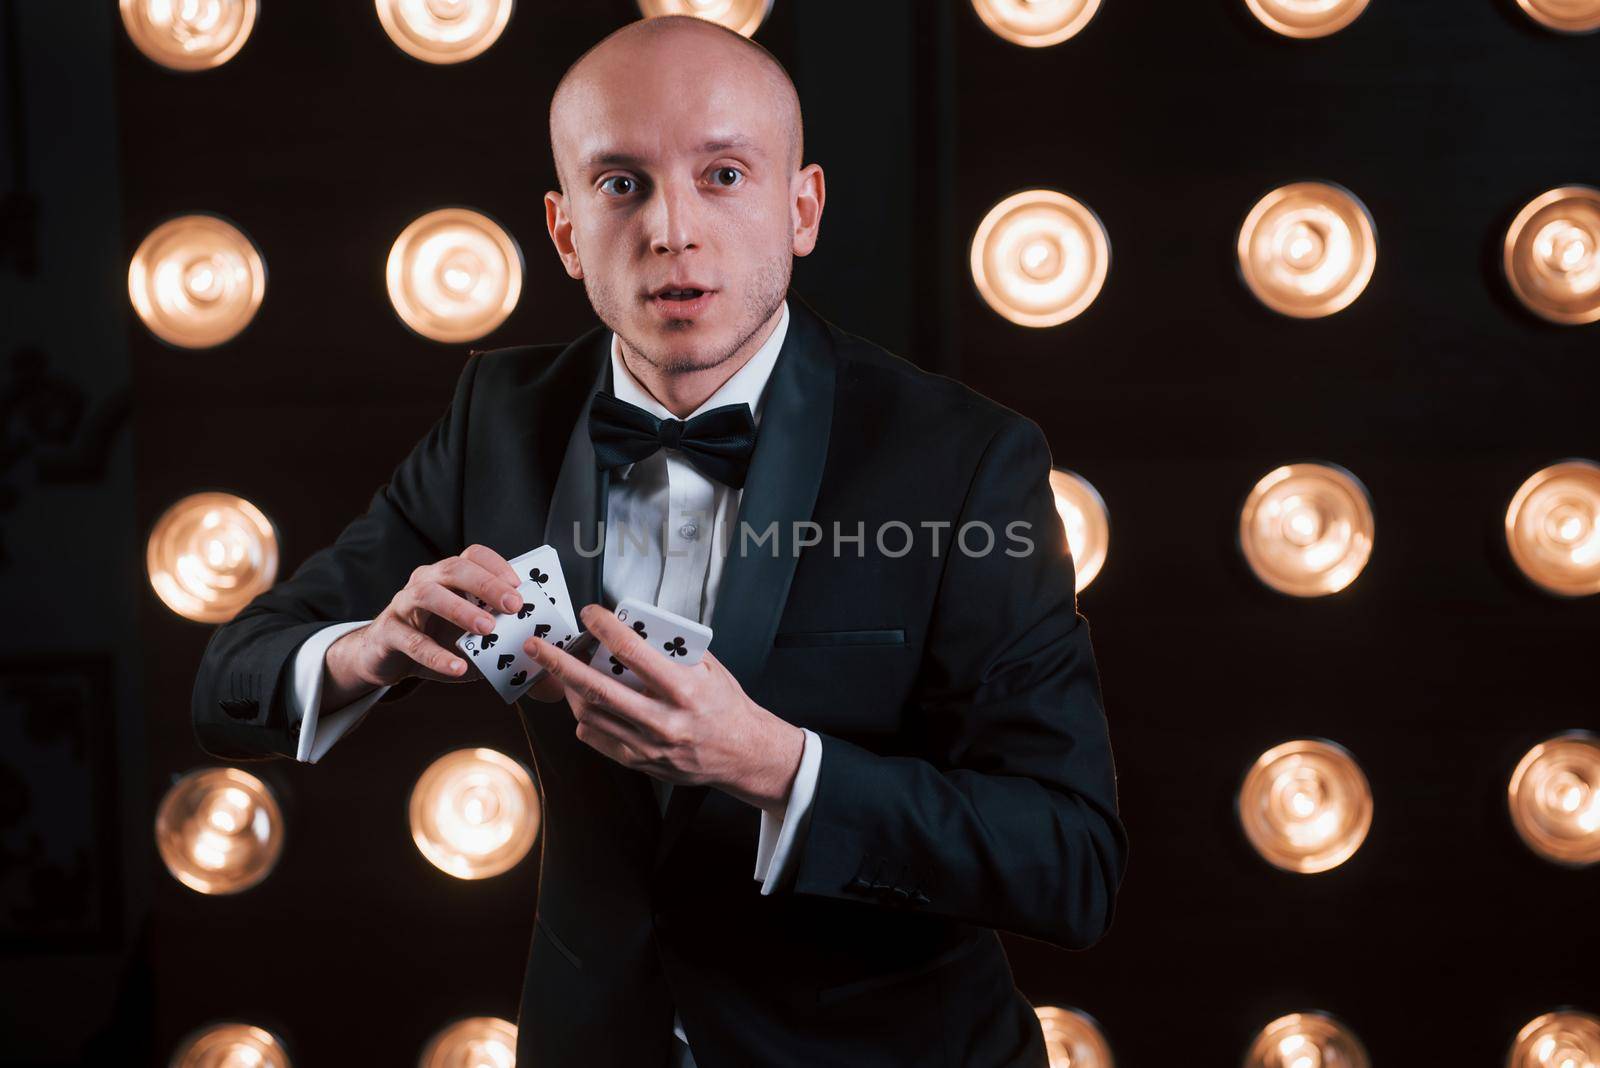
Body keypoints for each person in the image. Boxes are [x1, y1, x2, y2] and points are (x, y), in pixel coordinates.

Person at [191, 14, 1128, 1067]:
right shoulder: (499, 416)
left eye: (723, 174)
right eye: (620, 183)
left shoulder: (964, 460)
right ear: (562, 232)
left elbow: (1069, 860)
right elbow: (229, 678)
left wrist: (776, 765)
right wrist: (362, 648)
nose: (672, 228)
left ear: (801, 206)